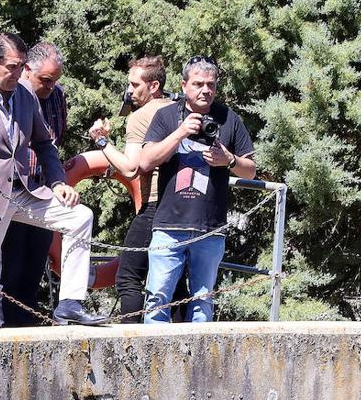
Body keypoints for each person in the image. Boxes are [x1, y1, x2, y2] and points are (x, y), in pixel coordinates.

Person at [0, 32, 107, 328]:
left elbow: (44, 144)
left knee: (80, 216)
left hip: (25, 192)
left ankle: (69, 304)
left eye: (21, 66)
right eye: (12, 67)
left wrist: (58, 183)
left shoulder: (25, 95)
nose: (18, 74)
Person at [137, 56, 257, 323]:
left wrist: (230, 160)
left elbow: (251, 169)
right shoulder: (166, 115)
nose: (206, 90)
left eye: (211, 85)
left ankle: (199, 364)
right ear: (183, 85)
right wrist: (180, 132)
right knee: (157, 298)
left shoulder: (228, 119)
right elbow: (145, 161)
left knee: (203, 301)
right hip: (169, 225)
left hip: (210, 228)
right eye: (198, 84)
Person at [87, 55, 186, 322]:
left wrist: (103, 143)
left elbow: (131, 168)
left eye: (135, 85)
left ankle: (132, 342)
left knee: (128, 277)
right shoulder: (179, 109)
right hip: (184, 206)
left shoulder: (141, 116)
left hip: (155, 204)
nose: (129, 90)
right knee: (175, 285)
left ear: (153, 86)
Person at [0, 42, 70, 327]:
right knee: (9, 274)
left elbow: (52, 142)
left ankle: (28, 338)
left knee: (32, 273)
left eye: (55, 81)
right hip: (12, 195)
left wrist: (57, 182)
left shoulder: (56, 97)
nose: (51, 86)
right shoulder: (12, 94)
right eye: (46, 80)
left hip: (42, 192)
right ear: (27, 69)